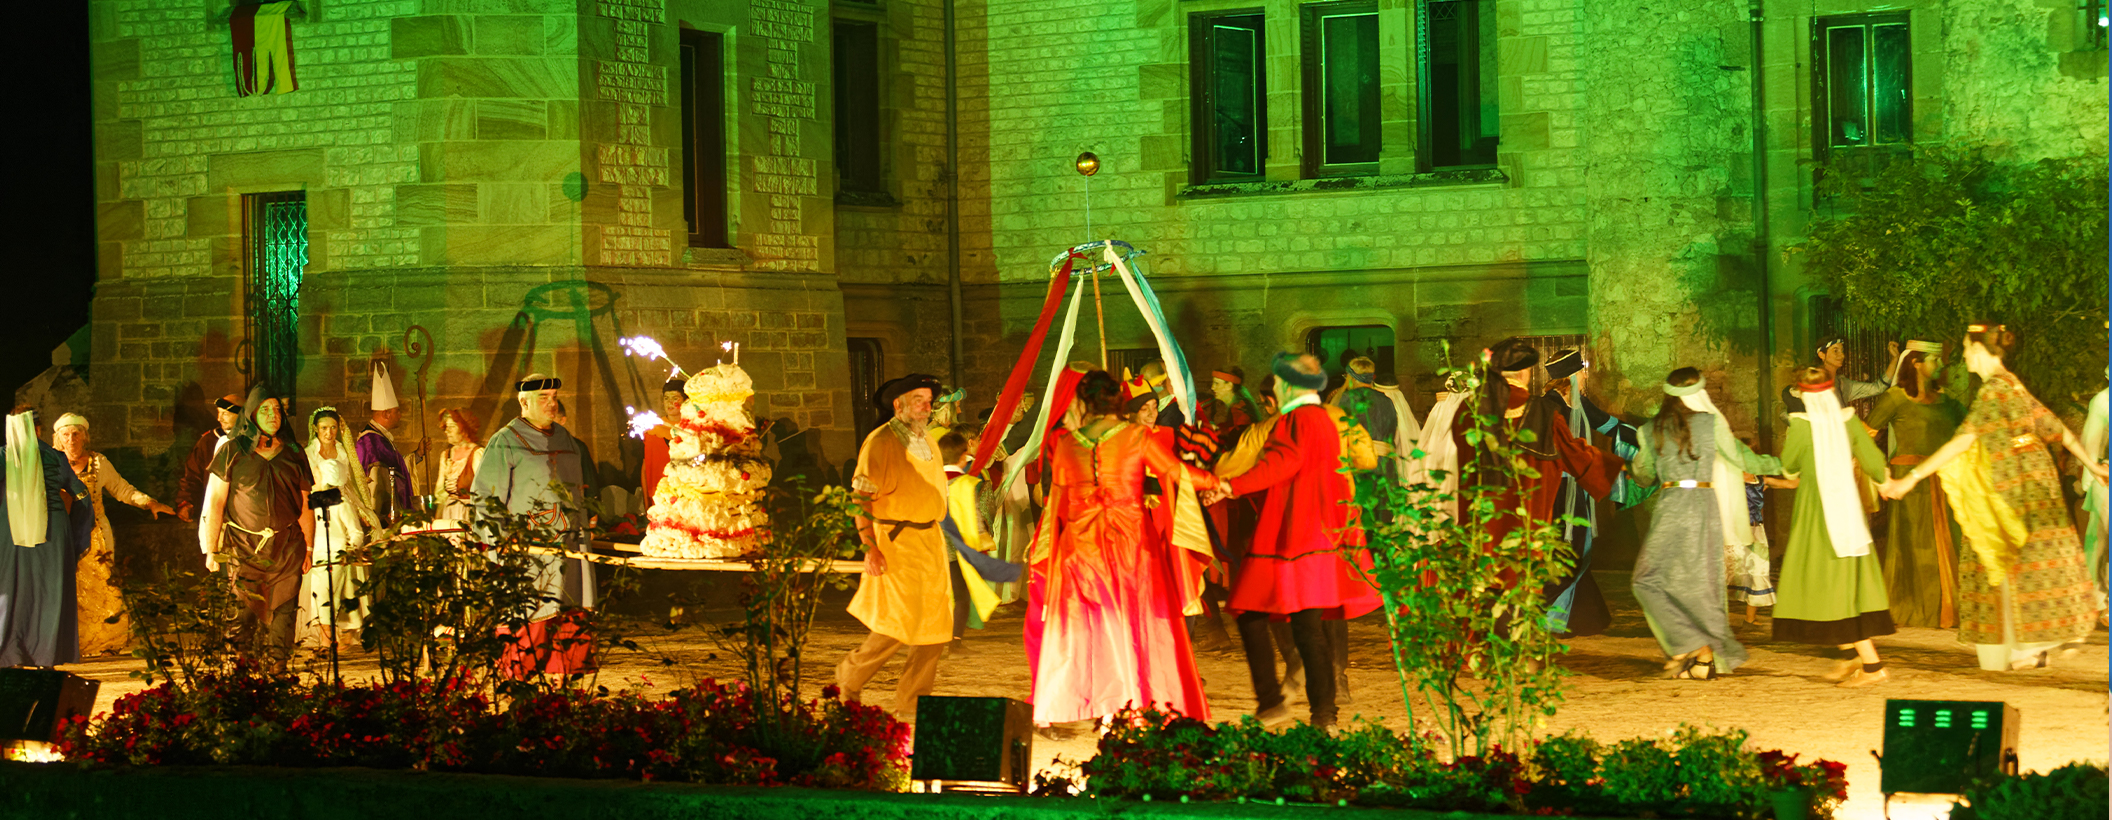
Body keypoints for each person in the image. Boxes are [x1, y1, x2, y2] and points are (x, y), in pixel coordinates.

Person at [1878, 324, 2105, 671]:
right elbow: (2055, 427)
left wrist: (1911, 479)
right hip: (2029, 488)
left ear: (1981, 351)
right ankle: (2023, 645)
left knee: (1992, 561)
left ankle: (2024, 645)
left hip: (2009, 492)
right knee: (2012, 564)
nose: (1964, 356)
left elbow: (1962, 441)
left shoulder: (1994, 390)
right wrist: (2092, 464)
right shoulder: (2012, 385)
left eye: (1968, 348)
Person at [1030, 368, 1220, 725]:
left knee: (1092, 624)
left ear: (1085, 402)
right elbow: (1176, 472)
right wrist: (1217, 482)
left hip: (1080, 546)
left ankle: (1106, 703)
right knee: (1134, 621)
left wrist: (1047, 549)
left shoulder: (1067, 443)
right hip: (1129, 543)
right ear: (1118, 400)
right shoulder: (1136, 436)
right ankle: (1134, 698)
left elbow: (1057, 498)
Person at [1206, 353, 1380, 729]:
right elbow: (1366, 460)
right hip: (1328, 530)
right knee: (1307, 624)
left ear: (1287, 385)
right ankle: (1323, 715)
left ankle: (1272, 701)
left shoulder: (1292, 421)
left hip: (1295, 533)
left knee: (1252, 614)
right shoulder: (1331, 419)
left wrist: (1229, 486)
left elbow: (1280, 461)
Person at [1627, 369, 1781, 679]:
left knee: (1647, 580)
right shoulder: (1711, 424)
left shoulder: (1649, 430)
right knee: (1700, 586)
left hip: (1671, 505)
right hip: (1704, 506)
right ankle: (1701, 651)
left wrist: (1636, 469)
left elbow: (1643, 474)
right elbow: (1745, 461)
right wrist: (1784, 464)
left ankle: (1697, 653)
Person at [836, 373, 956, 719]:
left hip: (929, 541)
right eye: (918, 398)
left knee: (934, 629)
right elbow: (860, 499)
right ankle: (849, 677)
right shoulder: (881, 442)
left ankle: (914, 705)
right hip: (896, 542)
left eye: (929, 399)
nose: (926, 405)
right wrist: (869, 546)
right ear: (898, 404)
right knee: (895, 625)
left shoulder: (927, 439)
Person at [472, 373, 597, 678]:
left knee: (570, 604)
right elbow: (486, 497)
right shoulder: (506, 441)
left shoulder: (567, 440)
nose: (552, 404)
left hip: (568, 543)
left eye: (554, 397)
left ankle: (565, 670)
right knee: (529, 607)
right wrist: (498, 541)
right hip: (527, 546)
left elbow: (577, 488)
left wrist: (584, 527)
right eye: (544, 398)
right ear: (524, 402)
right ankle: (520, 671)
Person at [1774, 367, 1893, 687]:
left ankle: (1872, 666)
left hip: (1817, 515)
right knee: (1834, 585)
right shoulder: (1848, 421)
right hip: (1847, 514)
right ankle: (1849, 656)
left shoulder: (1801, 427)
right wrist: (1885, 482)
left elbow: (1789, 467)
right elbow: (1872, 458)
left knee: (1831, 586)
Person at [200, 389, 316, 664]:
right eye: (265, 410)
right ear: (252, 414)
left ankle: (278, 674)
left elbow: (305, 504)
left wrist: (309, 547)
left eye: (277, 410)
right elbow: (216, 501)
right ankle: (239, 678)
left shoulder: (294, 452)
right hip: (244, 548)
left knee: (284, 615)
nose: (273, 416)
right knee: (241, 614)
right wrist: (211, 548)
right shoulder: (231, 451)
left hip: (287, 548)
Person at [51, 413, 173, 657]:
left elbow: (121, 489)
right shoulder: (52, 464)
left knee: (105, 586)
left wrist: (149, 503)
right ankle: (71, 642)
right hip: (63, 535)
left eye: (76, 434)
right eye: (66, 434)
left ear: (85, 436)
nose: (71, 439)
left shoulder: (98, 462)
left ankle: (107, 641)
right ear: (58, 438)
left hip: (97, 534)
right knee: (67, 587)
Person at [1864, 341, 1966, 628]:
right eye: (1936, 359)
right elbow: (1864, 434)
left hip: (1945, 479)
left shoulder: (1949, 400)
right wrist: (1880, 470)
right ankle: (1912, 608)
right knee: (1914, 546)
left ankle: (1949, 608)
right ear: (1916, 363)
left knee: (1949, 542)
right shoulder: (1896, 398)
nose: (1942, 365)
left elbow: (1968, 435)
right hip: (1909, 483)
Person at [1536, 349, 1636, 637]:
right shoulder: (1547, 408)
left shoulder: (1580, 405)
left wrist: (1647, 439)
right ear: (1571, 376)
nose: (1586, 375)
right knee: (1567, 550)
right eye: (1583, 371)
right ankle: (1544, 616)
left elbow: (1610, 425)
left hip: (1576, 489)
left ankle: (1570, 618)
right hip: (1555, 492)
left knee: (1579, 550)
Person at [0, 411, 90, 667]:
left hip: (11, 531)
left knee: (13, 589)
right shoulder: (55, 456)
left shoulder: (4, 455)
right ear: (38, 429)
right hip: (53, 531)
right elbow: (82, 496)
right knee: (49, 592)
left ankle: (10, 652)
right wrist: (77, 533)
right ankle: (46, 654)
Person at [302, 407, 384, 645]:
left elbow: (350, 482)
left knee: (345, 575)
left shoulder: (342, 451)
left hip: (343, 505)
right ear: (316, 429)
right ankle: (323, 629)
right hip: (319, 506)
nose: (329, 433)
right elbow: (309, 487)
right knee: (321, 580)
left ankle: (347, 625)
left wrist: (359, 509)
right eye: (324, 428)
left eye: (333, 428)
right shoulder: (309, 453)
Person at [938, 429, 1021, 651]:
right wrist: (981, 543)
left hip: (932, 547)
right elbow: (976, 517)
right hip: (957, 550)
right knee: (961, 596)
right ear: (962, 456)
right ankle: (955, 641)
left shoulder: (931, 482)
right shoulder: (965, 484)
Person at [357, 361, 414, 526]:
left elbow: (396, 469)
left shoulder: (380, 439)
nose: (400, 415)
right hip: (385, 518)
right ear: (386, 413)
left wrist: (416, 456)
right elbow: (378, 480)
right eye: (397, 411)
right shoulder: (371, 442)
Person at [176, 394, 243, 524]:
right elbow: (192, 475)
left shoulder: (257, 442)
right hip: (217, 516)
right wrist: (187, 502)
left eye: (225, 414)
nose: (219, 418)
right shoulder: (208, 442)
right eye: (219, 413)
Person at [432, 408, 484, 527]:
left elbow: (485, 492)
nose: (447, 431)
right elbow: (441, 495)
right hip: (448, 515)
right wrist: (437, 522)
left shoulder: (477, 454)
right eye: (446, 426)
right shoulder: (446, 455)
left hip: (469, 515)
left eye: (452, 426)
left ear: (463, 428)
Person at [640, 377, 686, 509]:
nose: (670, 403)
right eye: (666, 398)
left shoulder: (691, 430)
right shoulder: (653, 429)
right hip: (661, 496)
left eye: (675, 398)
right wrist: (647, 500)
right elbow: (646, 467)